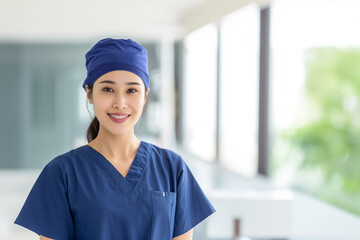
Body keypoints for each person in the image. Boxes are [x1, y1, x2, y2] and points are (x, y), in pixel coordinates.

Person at [14, 38, 216, 240]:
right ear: (89, 94)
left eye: (131, 90)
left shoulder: (172, 169)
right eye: (108, 89)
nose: (120, 103)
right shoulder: (61, 174)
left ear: (145, 96)